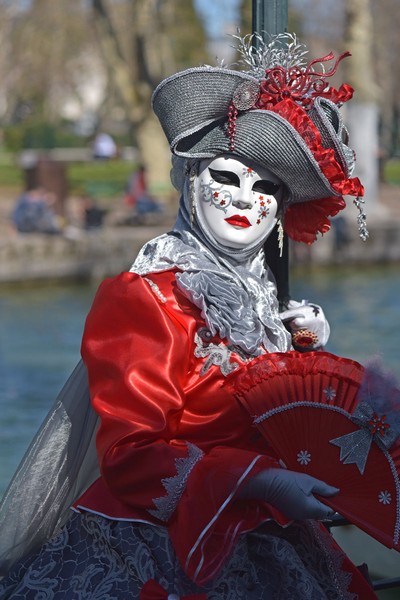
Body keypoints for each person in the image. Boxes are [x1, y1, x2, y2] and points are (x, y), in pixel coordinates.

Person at [0, 33, 377, 599]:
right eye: (226, 177)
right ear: (191, 180)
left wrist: (302, 351)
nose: (246, 198)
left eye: (266, 187)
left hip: (272, 534)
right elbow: (130, 454)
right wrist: (259, 480)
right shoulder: (143, 298)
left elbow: (276, 413)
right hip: (162, 542)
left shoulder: (261, 297)